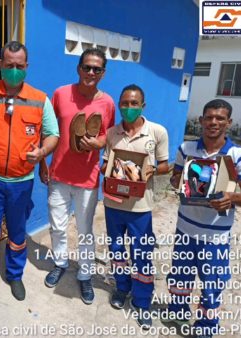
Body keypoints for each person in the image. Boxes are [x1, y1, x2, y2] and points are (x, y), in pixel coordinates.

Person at [0, 41, 59, 308]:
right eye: (9, 65)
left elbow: (53, 134)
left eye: (19, 66)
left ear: (26, 67)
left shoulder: (40, 99)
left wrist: (41, 153)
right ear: (0, 65)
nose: (14, 70)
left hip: (22, 181)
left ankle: (15, 275)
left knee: (17, 233)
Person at [166, 99, 241, 338]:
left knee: (212, 285)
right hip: (185, 229)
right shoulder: (186, 149)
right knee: (180, 278)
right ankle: (177, 312)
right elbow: (176, 177)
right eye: (209, 117)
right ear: (201, 120)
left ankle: (205, 328)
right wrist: (177, 182)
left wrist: (231, 198)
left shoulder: (239, 156)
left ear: (229, 122)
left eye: (220, 118)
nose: (213, 122)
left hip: (215, 238)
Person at [39, 47, 115, 304]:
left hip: (88, 178)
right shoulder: (60, 94)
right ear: (78, 68)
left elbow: (110, 135)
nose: (91, 72)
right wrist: (42, 162)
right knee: (58, 226)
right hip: (59, 174)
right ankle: (60, 262)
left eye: (97, 69)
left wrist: (98, 144)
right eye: (87, 67)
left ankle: (85, 274)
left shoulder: (107, 102)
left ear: (103, 73)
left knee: (84, 230)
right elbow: (48, 129)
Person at [101, 84, 169, 329]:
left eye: (134, 103)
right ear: (119, 105)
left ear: (143, 105)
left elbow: (165, 165)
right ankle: (121, 288)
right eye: (124, 103)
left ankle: (142, 301)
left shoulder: (157, 132)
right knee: (117, 250)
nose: (128, 108)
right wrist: (105, 171)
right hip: (113, 203)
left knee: (142, 255)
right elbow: (107, 162)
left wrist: (151, 171)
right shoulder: (112, 133)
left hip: (140, 206)